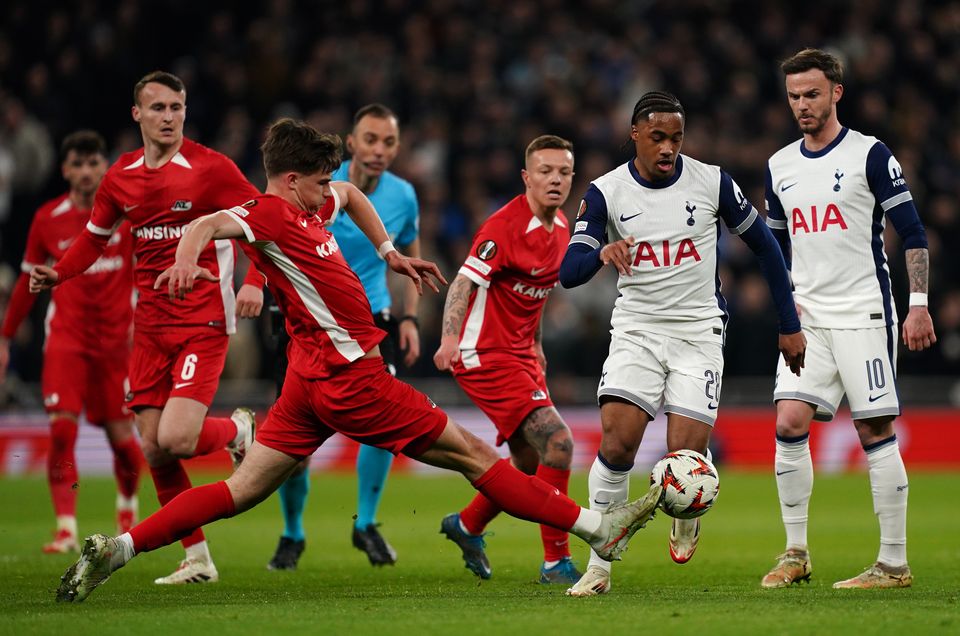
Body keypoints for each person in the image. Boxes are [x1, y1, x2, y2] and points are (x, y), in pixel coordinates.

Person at [54, 118, 665, 603]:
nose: (331, 189)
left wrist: (389, 252)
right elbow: (211, 223)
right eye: (319, 179)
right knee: (476, 456)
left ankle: (120, 550)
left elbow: (348, 194)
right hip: (351, 378)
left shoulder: (314, 204)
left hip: (308, 381)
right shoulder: (267, 214)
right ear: (291, 179)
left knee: (240, 489)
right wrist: (188, 253)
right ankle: (595, 527)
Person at [559, 91, 806, 597]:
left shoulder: (712, 181)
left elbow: (766, 247)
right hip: (638, 330)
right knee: (616, 444)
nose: (668, 147)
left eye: (675, 137)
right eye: (657, 137)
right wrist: (603, 250)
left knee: (685, 461)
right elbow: (569, 272)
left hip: (698, 332)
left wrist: (788, 321)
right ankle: (599, 570)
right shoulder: (607, 192)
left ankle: (686, 512)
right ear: (635, 135)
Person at [30, 71, 265, 585]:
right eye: (157, 108)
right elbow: (94, 239)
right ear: (137, 114)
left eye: (176, 107)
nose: (168, 117)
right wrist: (60, 273)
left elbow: (262, 222)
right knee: (154, 448)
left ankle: (237, 430)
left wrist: (257, 282)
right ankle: (198, 559)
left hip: (203, 319)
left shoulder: (211, 169)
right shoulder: (120, 177)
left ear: (185, 111)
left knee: (178, 438)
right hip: (151, 327)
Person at [760, 49, 936, 590]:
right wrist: (787, 312)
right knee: (788, 422)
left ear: (837, 91)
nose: (802, 106)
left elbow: (913, 233)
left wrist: (919, 305)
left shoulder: (871, 155)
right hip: (809, 320)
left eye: (811, 94)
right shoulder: (779, 167)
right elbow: (777, 248)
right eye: (793, 96)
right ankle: (795, 553)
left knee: (874, 429)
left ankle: (893, 563)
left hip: (864, 313)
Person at [267, 104, 422, 570]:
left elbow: (411, 247)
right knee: (294, 445)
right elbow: (265, 231)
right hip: (306, 324)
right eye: (370, 140)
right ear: (351, 143)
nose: (379, 150)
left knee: (382, 426)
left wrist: (410, 318)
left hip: (371, 319)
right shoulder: (317, 185)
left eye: (388, 142)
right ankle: (293, 533)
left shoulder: (403, 196)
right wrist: (254, 287)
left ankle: (366, 523)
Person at [433, 134, 581, 584]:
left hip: (520, 354)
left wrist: (536, 344)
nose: (555, 180)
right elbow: (463, 283)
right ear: (527, 177)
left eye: (563, 172)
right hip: (484, 353)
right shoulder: (503, 226)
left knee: (529, 463)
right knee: (559, 443)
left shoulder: (562, 231)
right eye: (545, 172)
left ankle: (468, 524)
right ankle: (557, 561)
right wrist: (448, 339)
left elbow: (533, 297)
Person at [0, 130, 142, 553]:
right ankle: (65, 527)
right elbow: (28, 279)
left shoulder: (128, 217)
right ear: (64, 170)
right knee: (62, 433)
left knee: (124, 443)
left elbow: (150, 268)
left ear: (105, 166)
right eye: (77, 164)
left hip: (117, 345)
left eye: (93, 163)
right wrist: (5, 336)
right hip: (67, 341)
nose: (85, 172)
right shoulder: (47, 218)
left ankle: (127, 509)